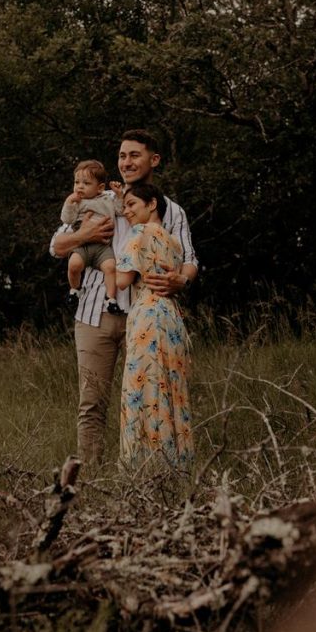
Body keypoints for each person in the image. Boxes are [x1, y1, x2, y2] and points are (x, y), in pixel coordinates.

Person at [50, 130, 197, 467]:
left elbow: (190, 259)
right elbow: (56, 246)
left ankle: (147, 473)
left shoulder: (171, 211)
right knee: (92, 402)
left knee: (148, 396)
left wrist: (180, 280)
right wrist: (85, 235)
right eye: (122, 156)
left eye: (134, 155)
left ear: (154, 160)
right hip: (94, 315)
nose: (126, 162)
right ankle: (89, 477)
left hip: (145, 316)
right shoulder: (97, 198)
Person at [116, 183, 194, 471]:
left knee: (144, 389)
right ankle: (177, 465)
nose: (126, 212)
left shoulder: (138, 233)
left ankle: (146, 468)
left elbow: (122, 282)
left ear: (152, 204)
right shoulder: (173, 241)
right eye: (124, 207)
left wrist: (100, 265)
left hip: (146, 314)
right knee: (171, 389)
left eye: (132, 205)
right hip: (171, 314)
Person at [59, 159, 124, 313]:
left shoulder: (107, 199)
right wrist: (68, 203)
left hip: (103, 247)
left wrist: (119, 195)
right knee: (74, 264)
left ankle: (110, 299)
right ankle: (75, 289)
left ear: (100, 188)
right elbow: (67, 219)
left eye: (86, 183)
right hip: (83, 246)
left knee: (110, 267)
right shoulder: (77, 202)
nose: (80, 186)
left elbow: (120, 211)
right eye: (77, 182)